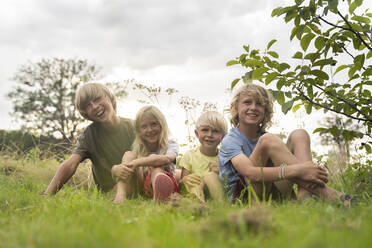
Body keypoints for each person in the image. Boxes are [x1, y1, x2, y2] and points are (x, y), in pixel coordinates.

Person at [219, 83, 348, 204]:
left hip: (270, 191)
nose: (253, 108)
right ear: (236, 108)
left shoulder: (264, 136)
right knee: (268, 140)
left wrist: (298, 171)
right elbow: (250, 173)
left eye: (259, 104)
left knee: (299, 134)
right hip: (244, 198)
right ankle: (333, 196)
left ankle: (306, 197)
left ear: (265, 111)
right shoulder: (230, 140)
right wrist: (298, 170)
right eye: (247, 102)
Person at [44, 83, 135, 194]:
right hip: (111, 191)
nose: (95, 107)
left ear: (109, 97)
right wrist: (48, 194)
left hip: (137, 181)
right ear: (86, 114)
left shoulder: (133, 126)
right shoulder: (89, 135)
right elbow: (71, 164)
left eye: (97, 99)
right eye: (88, 105)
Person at [112, 105, 180, 203]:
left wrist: (137, 162)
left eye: (153, 124)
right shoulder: (139, 146)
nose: (149, 130)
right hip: (142, 185)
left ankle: (160, 197)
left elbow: (166, 159)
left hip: (164, 183)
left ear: (162, 124)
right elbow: (132, 166)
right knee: (128, 154)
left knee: (156, 167)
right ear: (138, 131)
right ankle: (120, 196)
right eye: (144, 126)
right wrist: (118, 168)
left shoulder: (170, 142)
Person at [180, 111, 227, 202]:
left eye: (215, 131)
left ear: (223, 136)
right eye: (205, 130)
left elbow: (230, 182)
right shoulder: (189, 155)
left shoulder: (224, 158)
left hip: (215, 192)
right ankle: (199, 204)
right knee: (194, 180)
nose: (209, 135)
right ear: (197, 133)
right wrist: (185, 179)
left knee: (210, 176)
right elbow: (181, 183)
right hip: (196, 190)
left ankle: (221, 205)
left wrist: (221, 171)